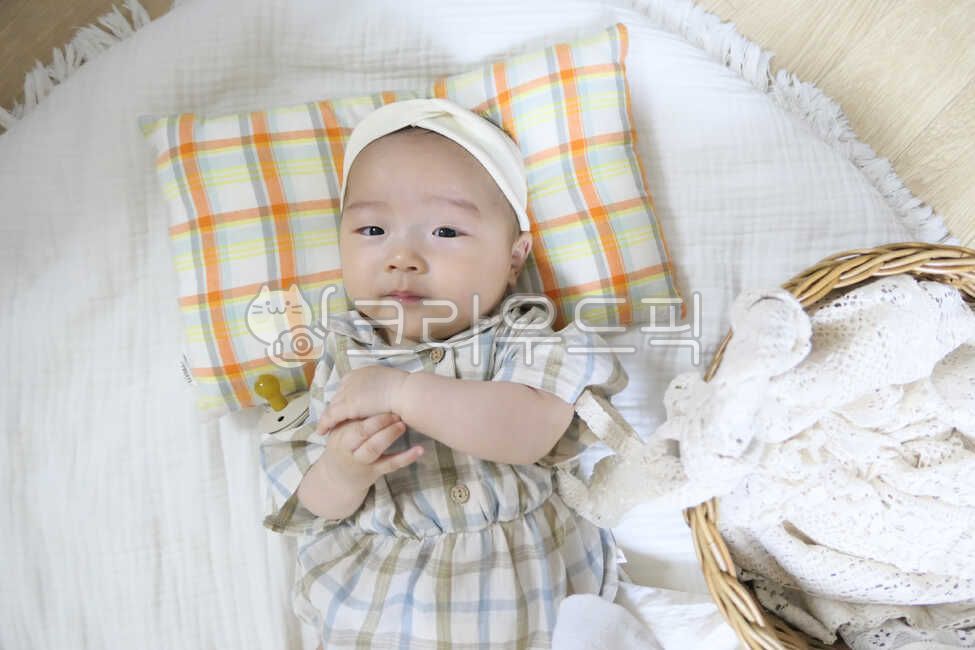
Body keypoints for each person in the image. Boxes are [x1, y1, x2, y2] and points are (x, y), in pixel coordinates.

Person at [259, 97, 639, 648]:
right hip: (382, 603)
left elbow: (524, 431)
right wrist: (344, 472)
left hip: (530, 593)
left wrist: (403, 391)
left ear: (514, 258)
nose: (403, 257)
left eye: (445, 232)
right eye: (371, 231)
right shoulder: (342, 357)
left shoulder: (522, 338)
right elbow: (312, 504)